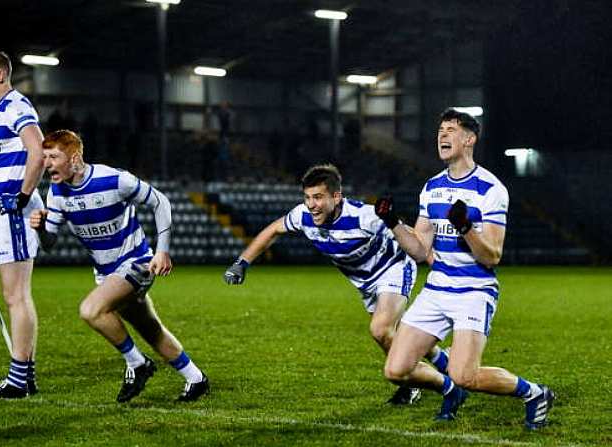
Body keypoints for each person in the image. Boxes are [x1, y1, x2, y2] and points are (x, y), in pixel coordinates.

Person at [376, 108, 555, 429]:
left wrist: (466, 228)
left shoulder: (491, 190)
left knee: (465, 375)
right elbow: (418, 249)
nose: (442, 135)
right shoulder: (431, 188)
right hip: (436, 290)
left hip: (474, 291)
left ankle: (535, 393)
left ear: (470, 139)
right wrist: (392, 222)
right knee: (396, 370)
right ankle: (451, 392)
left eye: (450, 130)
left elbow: (492, 256)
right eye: (440, 130)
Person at [223, 163, 449, 405]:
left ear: (337, 196)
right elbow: (273, 230)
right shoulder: (303, 216)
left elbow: (413, 239)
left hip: (393, 269)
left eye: (318, 197)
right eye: (308, 197)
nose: (311, 205)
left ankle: (411, 381)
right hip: (364, 283)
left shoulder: (365, 216)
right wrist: (242, 262)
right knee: (398, 331)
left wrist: (442, 266)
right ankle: (442, 362)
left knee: (380, 329)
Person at [29, 130, 209, 402]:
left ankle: (138, 364)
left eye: (54, 157)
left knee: (90, 310)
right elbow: (49, 244)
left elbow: (162, 202)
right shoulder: (56, 193)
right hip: (107, 274)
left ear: (75, 158)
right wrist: (41, 229)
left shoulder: (114, 179)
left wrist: (162, 251)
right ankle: (196, 379)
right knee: (150, 329)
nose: (47, 164)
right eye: (44, 157)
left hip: (136, 263)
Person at [0, 50, 45, 399]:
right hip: (1, 212)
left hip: (12, 212)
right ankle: (25, 377)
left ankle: (18, 380)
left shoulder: (15, 106)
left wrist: (22, 196)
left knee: (16, 296)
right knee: (15, 295)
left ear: (0, 75)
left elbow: (38, 150)